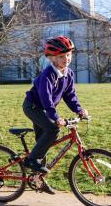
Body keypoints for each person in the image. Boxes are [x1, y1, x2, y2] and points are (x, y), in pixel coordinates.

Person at [22, 35, 88, 194]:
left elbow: (70, 95)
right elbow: (46, 99)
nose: (66, 58)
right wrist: (56, 118)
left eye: (69, 54)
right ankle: (30, 160)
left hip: (45, 109)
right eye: (61, 56)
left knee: (42, 145)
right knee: (53, 130)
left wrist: (79, 110)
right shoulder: (47, 75)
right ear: (52, 58)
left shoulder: (68, 74)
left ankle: (38, 180)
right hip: (33, 107)